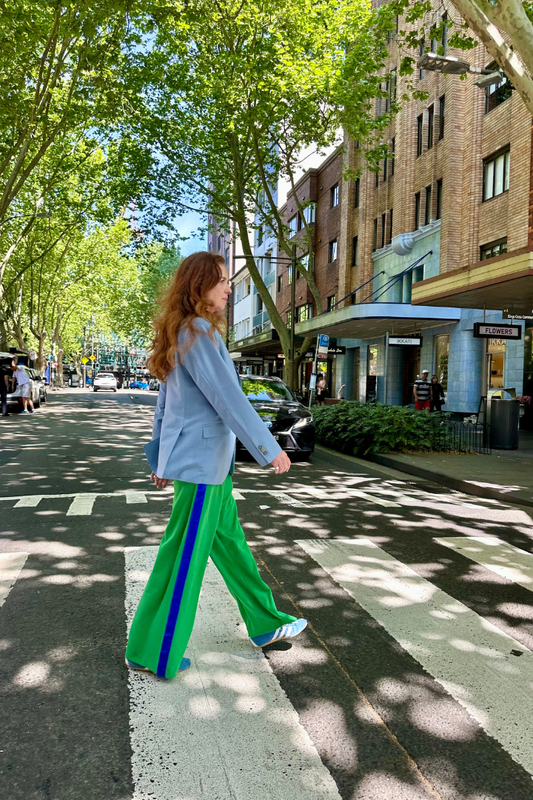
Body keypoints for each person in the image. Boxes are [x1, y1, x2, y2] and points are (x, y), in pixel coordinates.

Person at [125, 251, 307, 680]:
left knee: (232, 548)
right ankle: (153, 651)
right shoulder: (199, 334)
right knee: (183, 561)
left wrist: (161, 458)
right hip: (203, 468)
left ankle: (265, 623)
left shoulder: (182, 333)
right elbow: (229, 400)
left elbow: (167, 407)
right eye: (222, 281)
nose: (229, 287)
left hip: (207, 466)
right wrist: (269, 448)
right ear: (199, 287)